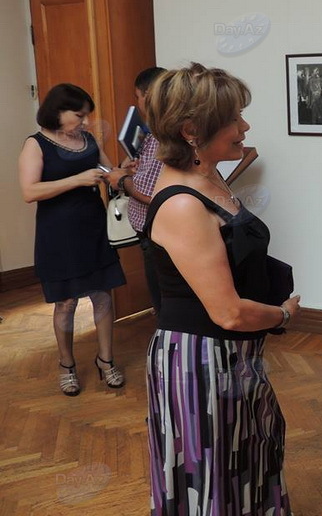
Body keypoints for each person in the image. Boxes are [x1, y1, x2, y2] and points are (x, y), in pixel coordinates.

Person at [143, 63, 299, 515]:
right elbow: (228, 313)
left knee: (242, 462)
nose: (245, 127)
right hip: (200, 363)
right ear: (192, 130)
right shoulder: (182, 206)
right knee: (210, 477)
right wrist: (285, 315)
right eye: (234, 119)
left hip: (234, 356)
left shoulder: (208, 177)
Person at [18, 83, 127, 396]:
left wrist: (120, 171)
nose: (85, 122)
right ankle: (66, 365)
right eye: (78, 115)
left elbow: (106, 169)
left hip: (94, 227)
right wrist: (77, 180)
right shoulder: (36, 144)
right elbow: (29, 191)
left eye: (86, 116)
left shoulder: (88, 139)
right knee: (66, 303)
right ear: (57, 112)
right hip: (58, 234)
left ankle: (105, 360)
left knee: (103, 296)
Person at [106, 67, 166, 314]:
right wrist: (130, 170)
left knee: (165, 303)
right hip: (150, 231)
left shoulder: (163, 133)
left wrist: (121, 181)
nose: (137, 103)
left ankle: (169, 349)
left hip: (157, 231)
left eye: (138, 96)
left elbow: (155, 195)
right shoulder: (155, 132)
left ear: (149, 95)